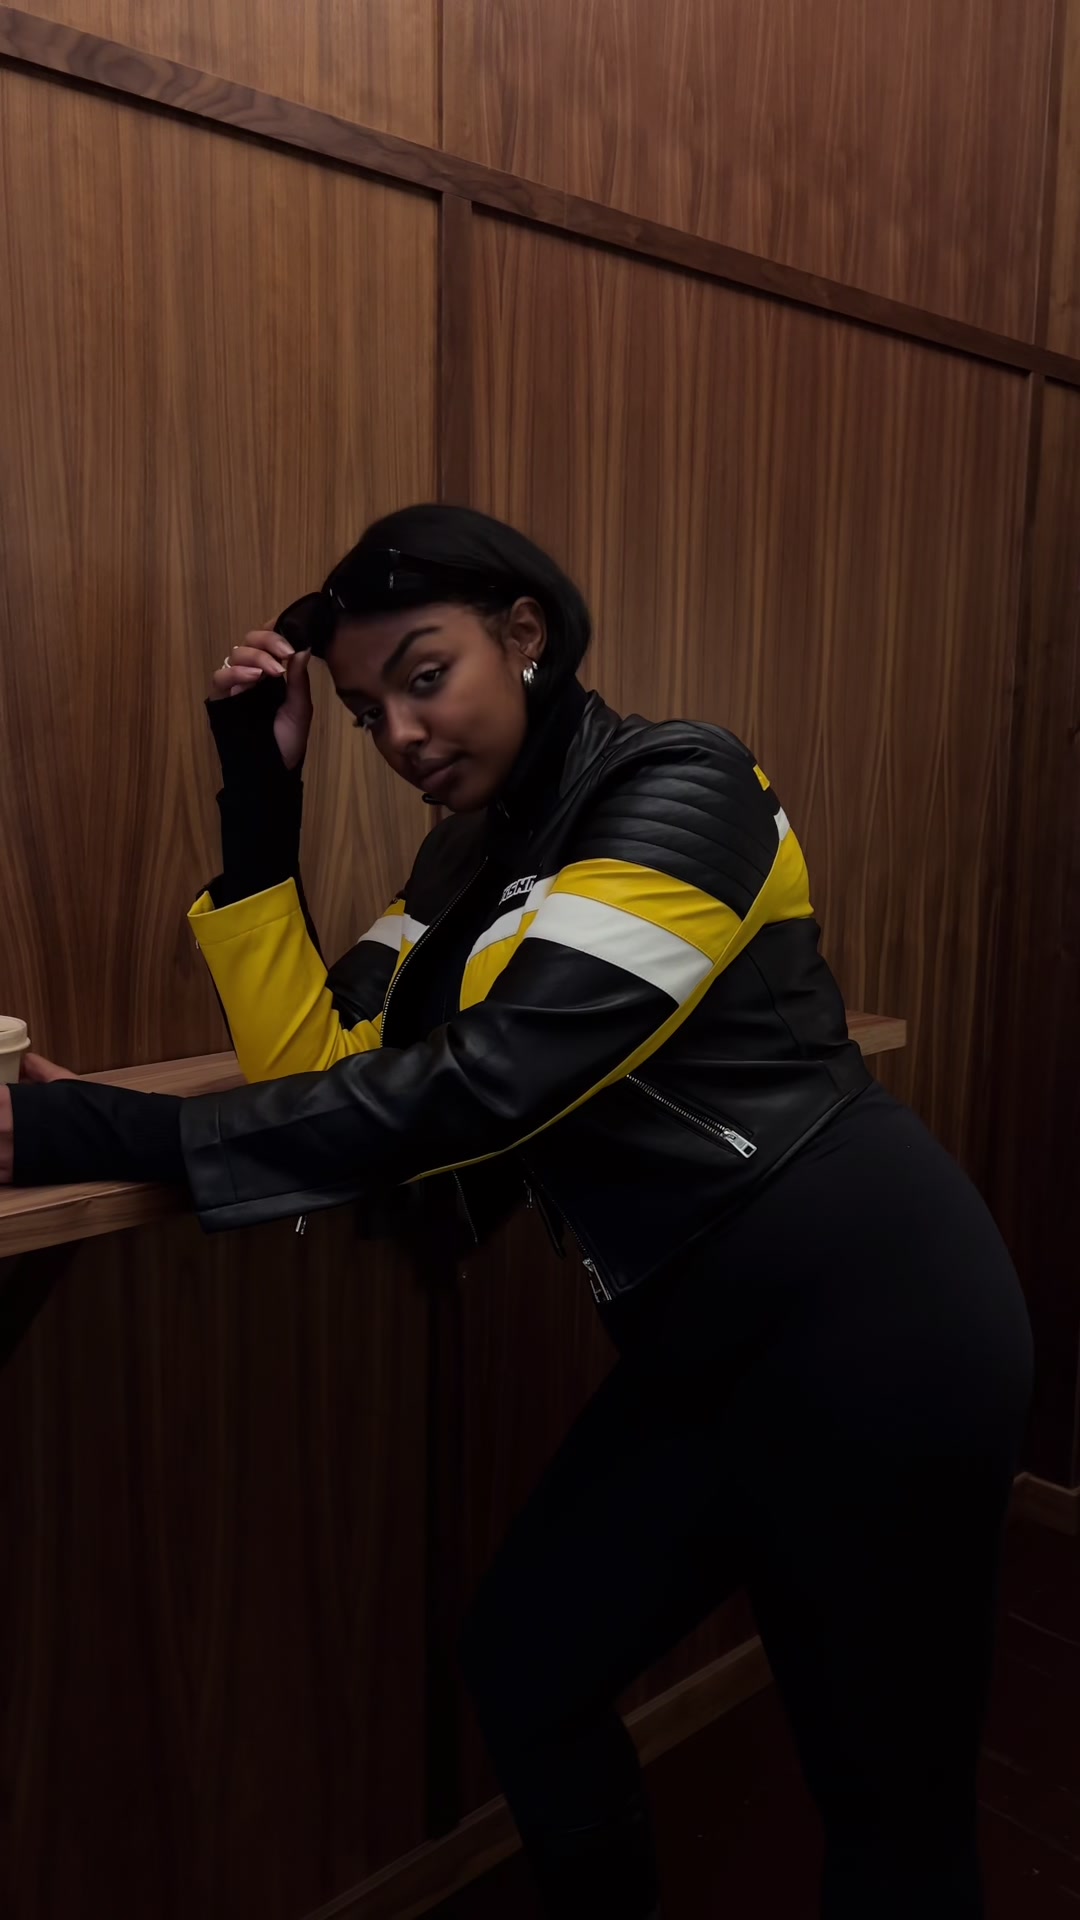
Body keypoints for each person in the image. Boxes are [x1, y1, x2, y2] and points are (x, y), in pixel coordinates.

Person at [3, 505, 1032, 1918]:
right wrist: (258, 799)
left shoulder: (689, 787)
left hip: (879, 1335)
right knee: (530, 1664)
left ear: (525, 634)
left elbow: (490, 1082)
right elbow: (325, 1071)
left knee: (887, 1816)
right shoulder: (460, 866)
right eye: (366, 712)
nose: (401, 733)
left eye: (426, 677)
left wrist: (78, 1126)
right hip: (706, 1353)